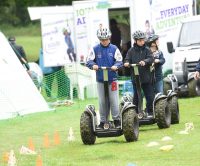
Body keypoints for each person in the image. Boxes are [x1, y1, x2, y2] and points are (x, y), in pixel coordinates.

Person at [86, 27, 123, 129]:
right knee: (102, 101)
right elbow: (88, 60)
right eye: (102, 40)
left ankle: (116, 120)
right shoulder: (95, 49)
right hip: (101, 79)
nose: (105, 41)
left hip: (112, 79)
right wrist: (93, 65)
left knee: (114, 100)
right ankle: (103, 121)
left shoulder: (114, 49)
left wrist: (116, 65)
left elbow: (120, 60)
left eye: (106, 39)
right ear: (99, 39)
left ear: (109, 38)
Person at [124, 30, 154, 115]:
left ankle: (150, 112)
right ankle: (136, 113)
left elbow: (151, 58)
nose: (142, 42)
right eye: (140, 40)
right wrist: (126, 63)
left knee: (150, 96)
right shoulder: (131, 51)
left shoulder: (147, 50)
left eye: (143, 40)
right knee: (137, 97)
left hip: (146, 78)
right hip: (136, 79)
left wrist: (145, 61)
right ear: (135, 41)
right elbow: (127, 59)